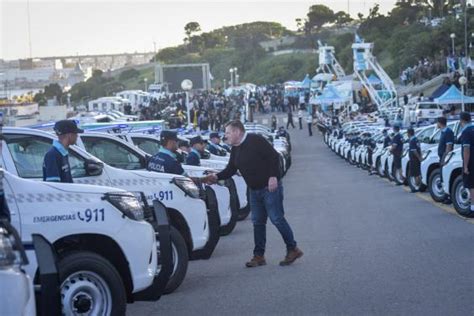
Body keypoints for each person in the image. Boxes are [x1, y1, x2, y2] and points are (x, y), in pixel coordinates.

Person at [203, 120, 302, 267]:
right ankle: (259, 256)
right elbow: (231, 169)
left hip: (270, 188)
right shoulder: (235, 148)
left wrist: (273, 176)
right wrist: (216, 177)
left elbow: (273, 157)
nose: (226, 136)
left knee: (277, 218)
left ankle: (292, 248)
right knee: (258, 222)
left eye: (228, 133)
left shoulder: (255, 140)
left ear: (237, 132)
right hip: (254, 191)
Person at [459, 111, 474, 214]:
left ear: (462, 120)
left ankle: (473, 208)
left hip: (471, 161)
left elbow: (466, 150)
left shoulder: (466, 131)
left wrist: (465, 166)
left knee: (472, 185)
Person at [437, 116, 454, 202]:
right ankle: (446, 195)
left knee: (446, 176)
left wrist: (445, 159)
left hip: (446, 158)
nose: (437, 124)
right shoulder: (443, 132)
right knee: (442, 177)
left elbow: (449, 147)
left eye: (437, 123)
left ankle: (449, 197)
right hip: (442, 157)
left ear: (440, 123)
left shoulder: (448, 132)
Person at [407, 127, 422, 192]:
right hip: (417, 159)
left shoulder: (412, 140)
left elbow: (414, 151)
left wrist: (419, 157)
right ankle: (418, 186)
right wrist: (420, 157)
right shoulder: (416, 139)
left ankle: (416, 187)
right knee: (418, 172)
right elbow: (419, 149)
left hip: (413, 159)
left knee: (415, 173)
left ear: (409, 133)